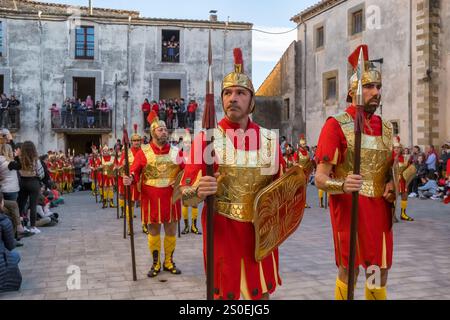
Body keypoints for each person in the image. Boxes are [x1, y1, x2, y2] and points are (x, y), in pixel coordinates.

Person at [179, 48, 294, 300]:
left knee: (260, 297)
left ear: (251, 101)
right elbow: (183, 194)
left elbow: (283, 192)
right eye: (228, 93)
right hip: (223, 235)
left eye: (240, 93)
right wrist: (198, 191)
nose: (233, 98)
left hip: (260, 237)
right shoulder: (207, 139)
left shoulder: (268, 140)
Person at [314, 45, 395, 300]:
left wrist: (392, 184)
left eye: (378, 87)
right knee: (349, 271)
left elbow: (389, 170)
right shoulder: (336, 125)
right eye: (369, 87)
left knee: (376, 269)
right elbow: (320, 178)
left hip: (379, 210)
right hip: (350, 208)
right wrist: (342, 185)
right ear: (353, 91)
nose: (375, 92)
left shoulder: (386, 128)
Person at [123, 111, 184, 278]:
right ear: (152, 132)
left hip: (171, 197)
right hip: (151, 198)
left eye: (165, 129)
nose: (164, 132)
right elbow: (134, 171)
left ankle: (169, 261)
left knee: (171, 229)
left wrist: (181, 182)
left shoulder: (175, 151)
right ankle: (156, 262)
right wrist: (130, 178)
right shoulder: (143, 152)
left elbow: (187, 171)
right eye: (160, 129)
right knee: (154, 229)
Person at [117, 125, 143, 234]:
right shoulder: (126, 153)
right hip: (132, 182)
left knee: (144, 204)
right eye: (134, 140)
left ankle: (145, 225)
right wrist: (125, 176)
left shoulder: (145, 152)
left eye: (138, 140)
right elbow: (121, 168)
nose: (136, 142)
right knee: (131, 204)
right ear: (131, 142)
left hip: (143, 182)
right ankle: (130, 226)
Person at [0, 193, 22, 293]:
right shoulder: (4, 221)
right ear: (1, 203)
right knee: (15, 255)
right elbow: (10, 246)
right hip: (5, 282)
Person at [392, 137, 415, 222]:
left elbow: (409, 168)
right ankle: (392, 215)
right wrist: (394, 161)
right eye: (395, 148)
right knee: (393, 198)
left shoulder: (404, 157)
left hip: (403, 179)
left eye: (398, 148)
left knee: (405, 196)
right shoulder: (390, 156)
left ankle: (403, 214)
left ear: (400, 148)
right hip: (394, 179)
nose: (396, 149)